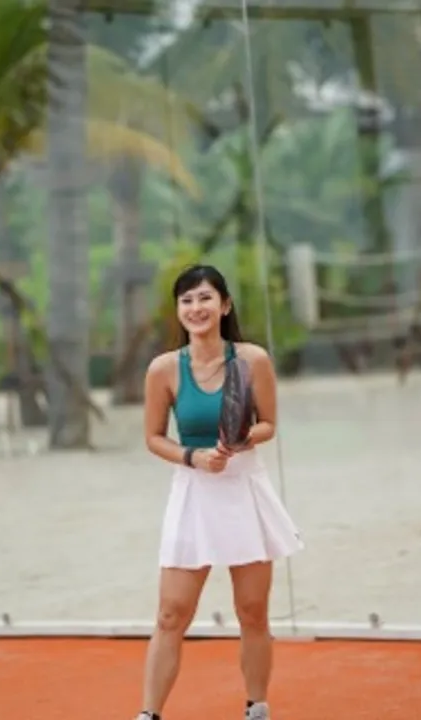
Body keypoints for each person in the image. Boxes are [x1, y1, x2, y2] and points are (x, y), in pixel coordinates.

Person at [134, 264, 303, 720]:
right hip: (193, 490)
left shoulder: (252, 360)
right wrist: (194, 457)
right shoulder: (163, 369)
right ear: (178, 310)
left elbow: (269, 423)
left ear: (225, 305)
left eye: (205, 298)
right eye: (187, 300)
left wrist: (238, 440)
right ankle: (149, 714)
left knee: (252, 611)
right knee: (171, 613)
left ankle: (256, 708)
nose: (196, 308)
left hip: (243, 486)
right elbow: (153, 438)